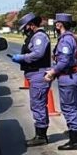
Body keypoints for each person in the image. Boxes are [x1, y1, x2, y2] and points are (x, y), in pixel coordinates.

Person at [10, 13, 53, 147]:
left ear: (32, 25)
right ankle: (40, 133)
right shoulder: (34, 36)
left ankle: (41, 136)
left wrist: (22, 58)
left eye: (26, 27)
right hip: (34, 74)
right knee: (37, 104)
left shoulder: (39, 36)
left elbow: (38, 54)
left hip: (39, 74)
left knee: (38, 104)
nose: (25, 29)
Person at [44, 13, 77, 150]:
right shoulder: (71, 38)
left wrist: (52, 72)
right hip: (74, 75)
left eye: (56, 23)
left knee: (69, 108)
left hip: (69, 77)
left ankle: (75, 141)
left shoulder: (66, 40)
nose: (55, 25)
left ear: (59, 24)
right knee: (75, 106)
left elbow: (64, 60)